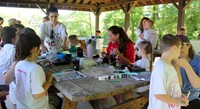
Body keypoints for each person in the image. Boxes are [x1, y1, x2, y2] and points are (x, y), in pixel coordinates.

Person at [148, 34, 189, 109]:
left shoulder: (170, 65)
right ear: (174, 48)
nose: (180, 51)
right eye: (180, 48)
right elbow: (159, 94)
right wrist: (178, 102)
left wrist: (180, 95)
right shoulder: (161, 67)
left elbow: (170, 87)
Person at [14, 33, 53, 109]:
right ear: (35, 49)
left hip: (22, 106)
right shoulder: (35, 69)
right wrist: (48, 81)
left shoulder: (19, 65)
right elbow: (37, 94)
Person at [173, 36, 200, 109]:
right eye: (175, 46)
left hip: (192, 98)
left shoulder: (198, 60)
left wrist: (186, 66)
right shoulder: (171, 60)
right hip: (174, 98)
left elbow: (197, 85)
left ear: (189, 46)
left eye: (181, 45)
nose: (178, 49)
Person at [0, 27, 17, 109]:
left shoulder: (4, 48)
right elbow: (8, 69)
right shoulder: (13, 50)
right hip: (3, 82)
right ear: (13, 39)